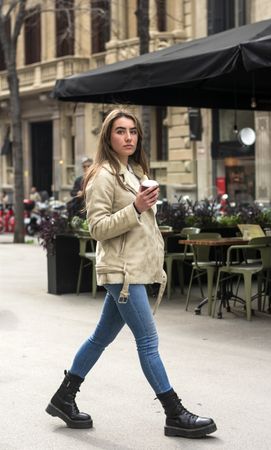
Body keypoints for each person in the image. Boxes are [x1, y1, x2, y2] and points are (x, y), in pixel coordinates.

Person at [45, 109, 217, 439]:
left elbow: (136, 221)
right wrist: (135, 207)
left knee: (100, 338)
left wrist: (145, 206)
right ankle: (174, 413)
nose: (128, 137)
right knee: (148, 341)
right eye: (121, 131)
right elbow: (97, 228)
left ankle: (63, 398)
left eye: (133, 131)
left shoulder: (134, 171)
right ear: (108, 137)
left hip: (135, 267)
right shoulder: (102, 176)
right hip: (121, 273)